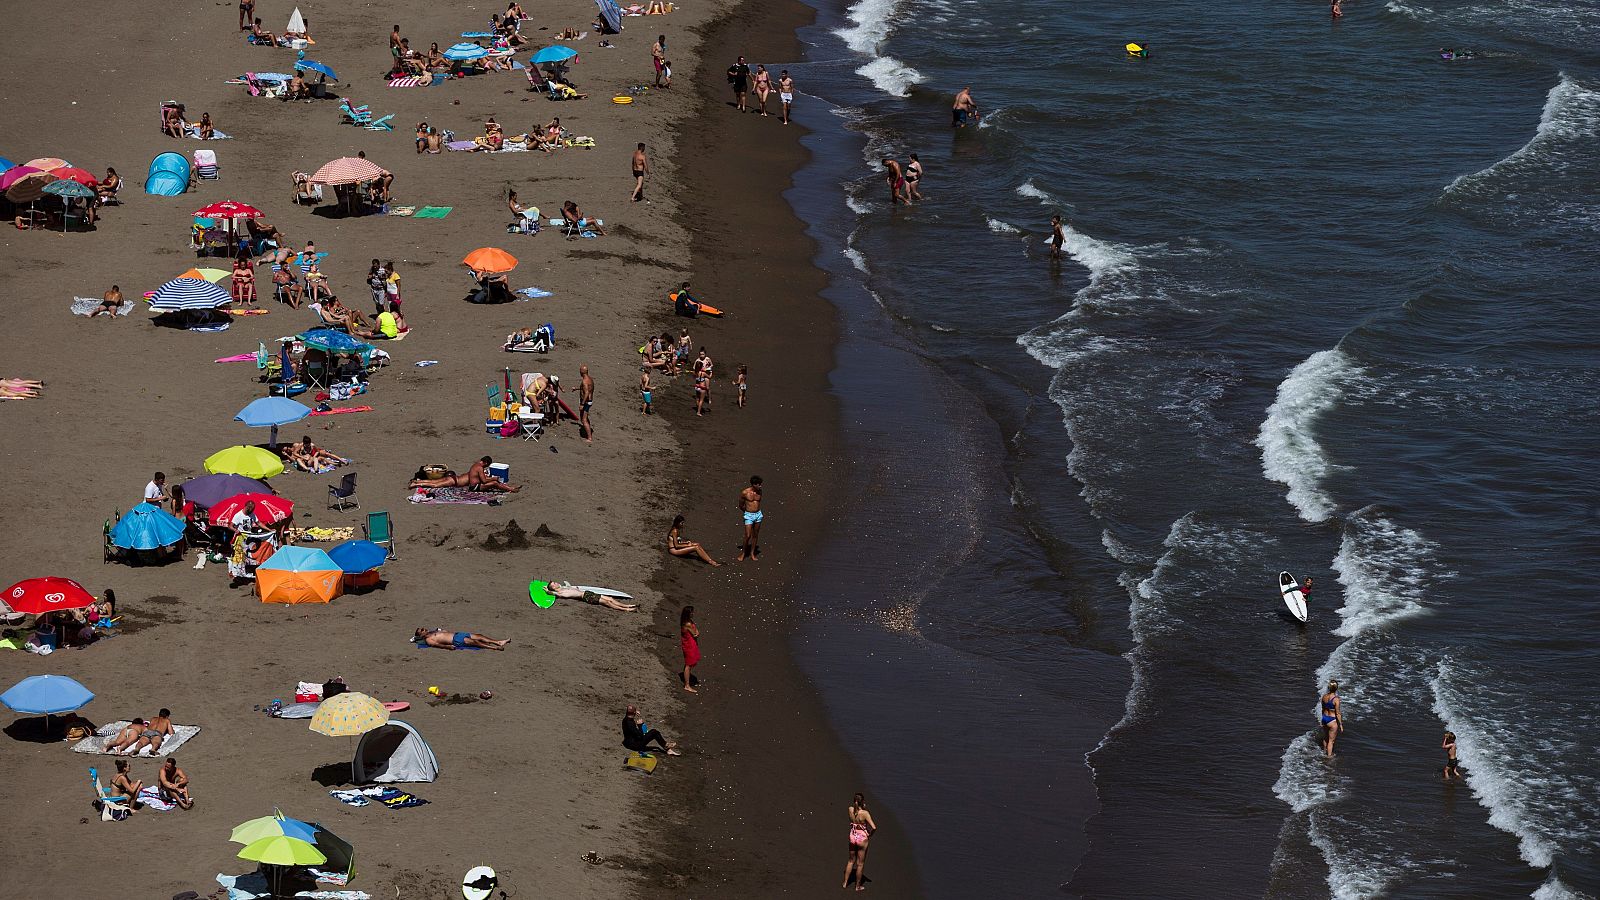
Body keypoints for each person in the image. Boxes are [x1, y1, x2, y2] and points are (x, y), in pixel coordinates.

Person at [410, 456, 521, 492]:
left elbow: (477, 477)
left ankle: (416, 482)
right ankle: (511, 489)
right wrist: (494, 478)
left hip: (454, 478)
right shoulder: (480, 468)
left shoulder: (475, 465)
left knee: (434, 482)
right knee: (495, 483)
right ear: (486, 463)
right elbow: (483, 481)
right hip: (458, 482)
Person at [843, 793, 878, 891]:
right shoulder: (865, 813)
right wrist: (870, 834)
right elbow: (874, 827)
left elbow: (854, 816)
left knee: (850, 861)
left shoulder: (850, 809)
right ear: (862, 802)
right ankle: (857, 886)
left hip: (852, 836)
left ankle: (845, 882)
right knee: (860, 864)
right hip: (862, 838)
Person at [541, 580, 638, 611]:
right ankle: (626, 609)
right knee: (607, 602)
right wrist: (546, 589)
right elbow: (550, 593)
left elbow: (569, 586)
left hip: (587, 593)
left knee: (610, 598)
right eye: (554, 584)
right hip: (586, 597)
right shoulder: (559, 592)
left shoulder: (563, 588)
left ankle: (627, 606)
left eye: (555, 582)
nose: (556, 583)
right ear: (553, 588)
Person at [737, 476, 763, 561]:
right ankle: (743, 553)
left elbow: (758, 503)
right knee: (748, 535)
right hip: (749, 515)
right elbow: (740, 505)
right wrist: (747, 512)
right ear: (754, 484)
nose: (760, 486)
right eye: (759, 484)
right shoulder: (745, 493)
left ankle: (752, 553)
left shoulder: (760, 491)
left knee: (755, 535)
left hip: (758, 514)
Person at [413, 627, 510, 650]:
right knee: (474, 642)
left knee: (479, 636)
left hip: (458, 634)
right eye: (422, 630)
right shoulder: (429, 640)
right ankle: (494, 648)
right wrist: (448, 647)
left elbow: (444, 632)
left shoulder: (433, 631)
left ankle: (498, 642)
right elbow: (438, 645)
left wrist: (443, 631)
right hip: (455, 640)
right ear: (421, 635)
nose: (424, 628)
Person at [1320, 680, 1343, 758]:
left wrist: (1322, 720)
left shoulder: (1324, 697)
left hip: (1325, 718)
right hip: (1332, 720)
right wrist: (1340, 725)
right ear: (1336, 688)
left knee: (1325, 737)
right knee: (1331, 741)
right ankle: (1329, 757)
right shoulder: (1336, 699)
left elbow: (1323, 709)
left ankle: (1324, 751)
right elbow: (1337, 713)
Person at [680, 606, 700, 692]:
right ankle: (687, 685)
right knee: (688, 664)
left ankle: (687, 681)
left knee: (688, 664)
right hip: (689, 645)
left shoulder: (687, 622)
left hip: (690, 644)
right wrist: (696, 633)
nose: (693, 613)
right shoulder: (688, 623)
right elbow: (696, 634)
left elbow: (696, 633)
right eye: (691, 612)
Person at [579, 364, 595, 442]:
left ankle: (589, 438)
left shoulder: (585, 381)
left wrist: (582, 404)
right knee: (584, 418)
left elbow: (586, 393)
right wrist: (577, 388)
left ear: (582, 372)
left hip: (586, 402)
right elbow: (586, 388)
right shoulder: (590, 379)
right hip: (589, 401)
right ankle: (587, 431)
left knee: (584, 420)